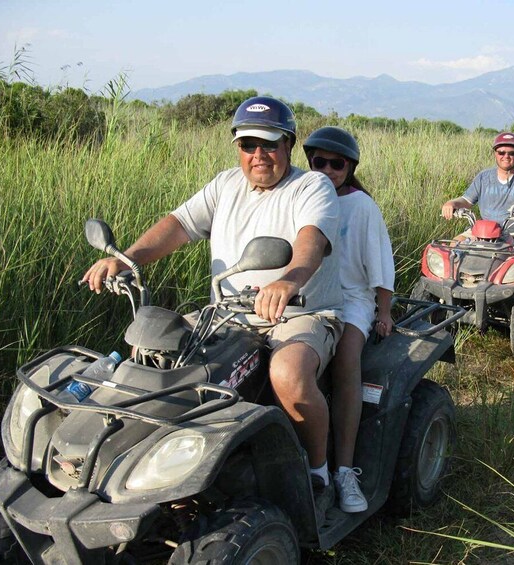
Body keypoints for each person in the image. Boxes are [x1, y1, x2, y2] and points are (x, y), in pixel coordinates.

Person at [82, 96, 342, 512]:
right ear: (237, 147)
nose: (259, 155)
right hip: (226, 313)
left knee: (288, 373)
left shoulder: (311, 186)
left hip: (298, 312)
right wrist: (127, 260)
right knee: (151, 345)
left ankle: (316, 471)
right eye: (248, 145)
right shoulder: (225, 185)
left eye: (270, 144)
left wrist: (288, 280)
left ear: (289, 144)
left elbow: (311, 242)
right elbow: (179, 225)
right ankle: (135, 458)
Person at [303, 126, 395, 513]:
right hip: (308, 293)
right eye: (318, 161)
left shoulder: (361, 206)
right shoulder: (301, 197)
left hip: (351, 298)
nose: (327, 169)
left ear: (350, 166)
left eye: (336, 163)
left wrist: (384, 311)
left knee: (344, 359)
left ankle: (344, 470)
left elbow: (380, 264)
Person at [441, 132, 514, 251]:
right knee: (453, 248)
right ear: (495, 153)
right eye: (501, 152)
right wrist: (452, 203)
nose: (506, 156)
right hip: (483, 231)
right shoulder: (484, 177)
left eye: (511, 153)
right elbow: (466, 200)